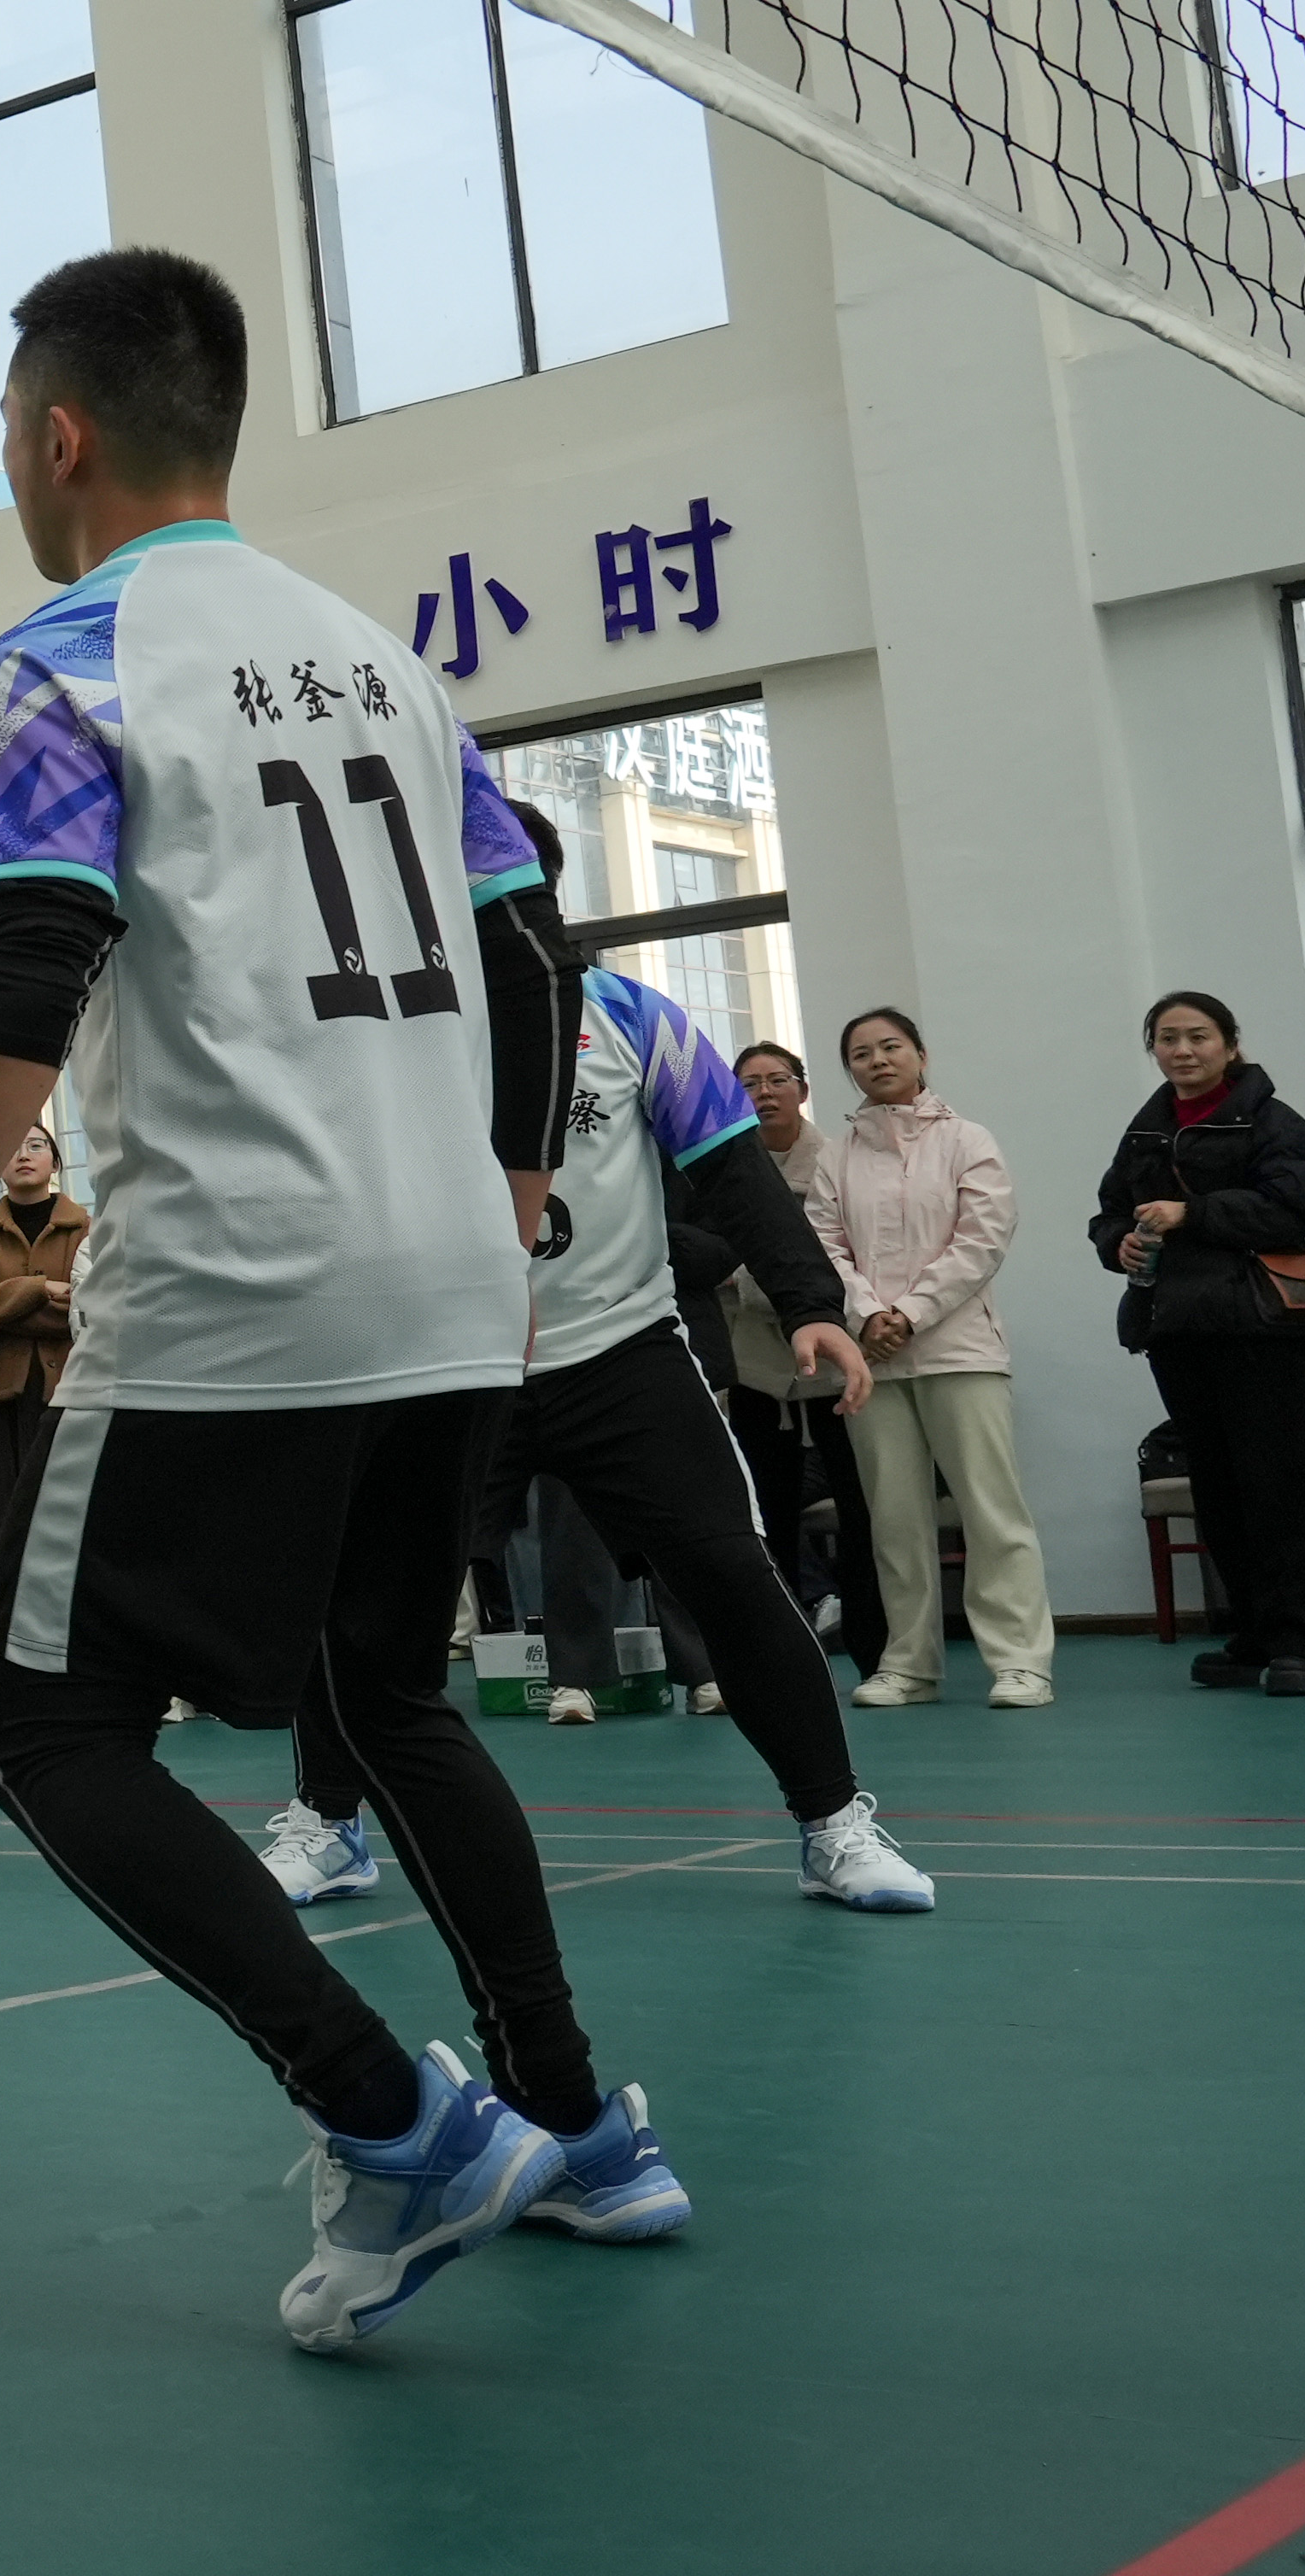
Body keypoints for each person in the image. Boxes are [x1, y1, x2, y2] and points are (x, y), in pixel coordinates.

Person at [0, 248, 669, 2353]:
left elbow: (33, 965)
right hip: (444, 1274)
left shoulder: (61, 660)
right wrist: (498, 1185)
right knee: (388, 1699)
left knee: (50, 1734)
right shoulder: (381, 662)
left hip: (242, 1274)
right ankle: (578, 2125)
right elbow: (530, 953)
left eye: (7, 434)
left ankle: (387, 2115)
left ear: (55, 436)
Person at [255, 806, 933, 1917]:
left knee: (732, 1576)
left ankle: (834, 1825)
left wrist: (813, 1304)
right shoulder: (381, 1024)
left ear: (538, 889)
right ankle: (330, 1823)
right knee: (368, 1599)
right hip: (442, 1365)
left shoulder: (632, 1018)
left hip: (620, 1354)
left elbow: (733, 1172)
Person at [1092, 992, 1305, 1696]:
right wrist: (1120, 1244)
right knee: (1220, 1489)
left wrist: (1192, 1213)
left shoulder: (1272, 1121)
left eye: (1198, 1036)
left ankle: (1303, 1646)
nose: (1182, 1050)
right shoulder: (1147, 1130)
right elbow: (1108, 1213)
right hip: (1177, 1327)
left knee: (1280, 1486)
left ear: (1230, 1045)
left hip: (1259, 1327)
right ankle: (1253, 1631)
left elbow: (1292, 1207)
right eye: (1167, 1038)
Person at [809, 1009, 1051, 1708]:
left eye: (891, 1047)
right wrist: (866, 1316)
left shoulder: (968, 1140)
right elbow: (823, 1245)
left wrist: (909, 1313)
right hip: (871, 1360)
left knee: (991, 1510)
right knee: (893, 1518)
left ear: (921, 1055)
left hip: (960, 1351)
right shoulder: (836, 1155)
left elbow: (983, 1239)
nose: (878, 1060)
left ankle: (1021, 1661)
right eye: (861, 1053)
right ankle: (909, 1663)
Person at [726, 1041, 876, 1666]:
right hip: (756, 1368)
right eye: (749, 1084)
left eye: (777, 1080)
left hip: (838, 1362)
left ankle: (874, 1648)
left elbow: (856, 1252)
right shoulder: (722, 1170)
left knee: (862, 1511)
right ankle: (781, 1651)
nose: (764, 1093)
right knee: (765, 1513)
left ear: (803, 1090)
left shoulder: (839, 1163)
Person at [0, 1123, 85, 1609]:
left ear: (54, 1161)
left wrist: (4, 1301)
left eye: (36, 1146)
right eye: (11, 1147)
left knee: (63, 1511)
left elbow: (87, 1308)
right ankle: (2, 1625)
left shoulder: (87, 1228)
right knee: (2, 1514)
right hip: (0, 1395)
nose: (23, 1155)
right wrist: (43, 1288)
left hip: (69, 1391)